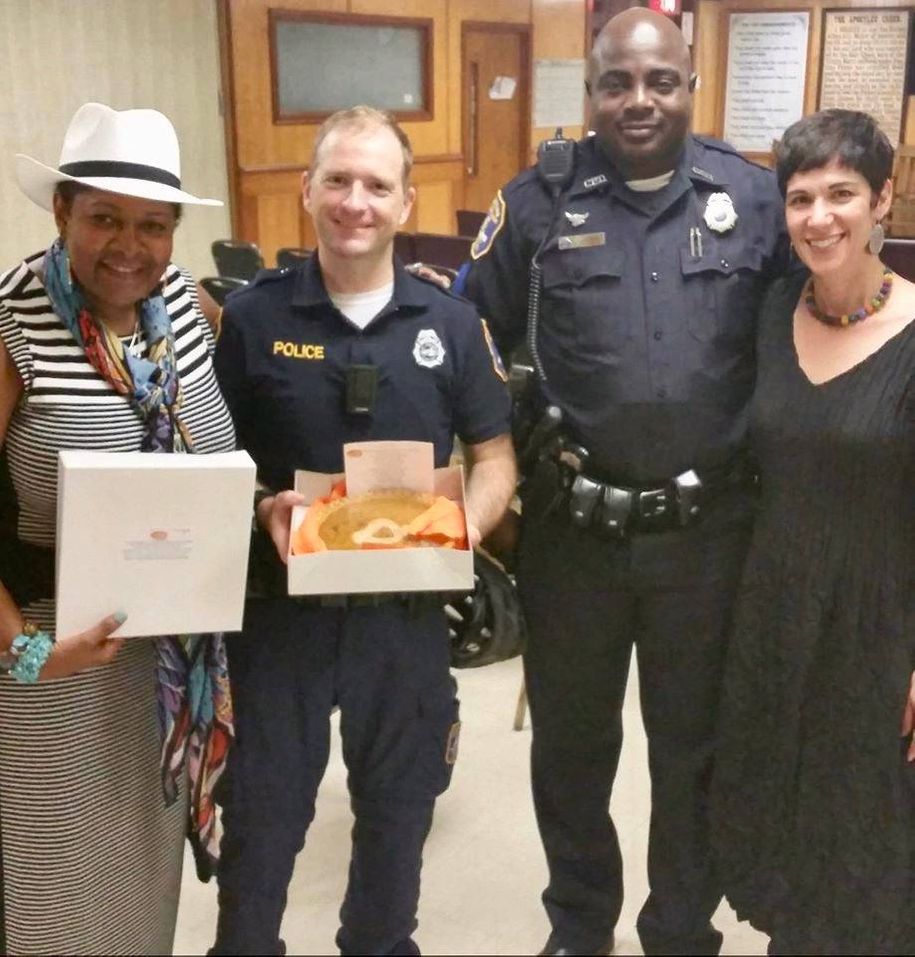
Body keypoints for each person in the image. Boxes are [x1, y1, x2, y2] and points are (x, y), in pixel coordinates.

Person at [461, 9, 788, 956]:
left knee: (692, 752)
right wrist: (489, 490)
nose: (637, 100)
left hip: (709, 536)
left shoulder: (752, 201)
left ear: (691, 84)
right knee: (571, 750)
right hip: (575, 538)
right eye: (616, 82)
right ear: (590, 91)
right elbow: (461, 345)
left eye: (660, 81)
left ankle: (681, 927)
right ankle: (578, 927)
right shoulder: (532, 206)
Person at [211, 106, 516, 956]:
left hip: (402, 617)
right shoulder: (254, 318)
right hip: (280, 618)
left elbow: (495, 457)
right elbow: (212, 458)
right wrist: (262, 501)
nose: (355, 201)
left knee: (397, 812)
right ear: (307, 189)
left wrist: (463, 528)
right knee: (262, 821)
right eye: (337, 180)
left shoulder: (449, 325)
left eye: (376, 185)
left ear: (406, 201)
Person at [0, 102, 235, 955]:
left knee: (142, 899)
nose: (127, 246)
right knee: (61, 904)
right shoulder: (14, 321)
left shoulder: (182, 306)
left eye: (151, 224)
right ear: (62, 210)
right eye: (103, 217)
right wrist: (28, 651)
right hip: (57, 668)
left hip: (164, 670)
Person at [711, 109, 915, 955]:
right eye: (800, 198)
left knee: (865, 840)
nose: (819, 216)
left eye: (842, 193)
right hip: (773, 611)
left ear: (883, 200)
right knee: (781, 820)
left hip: (879, 625)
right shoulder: (765, 315)